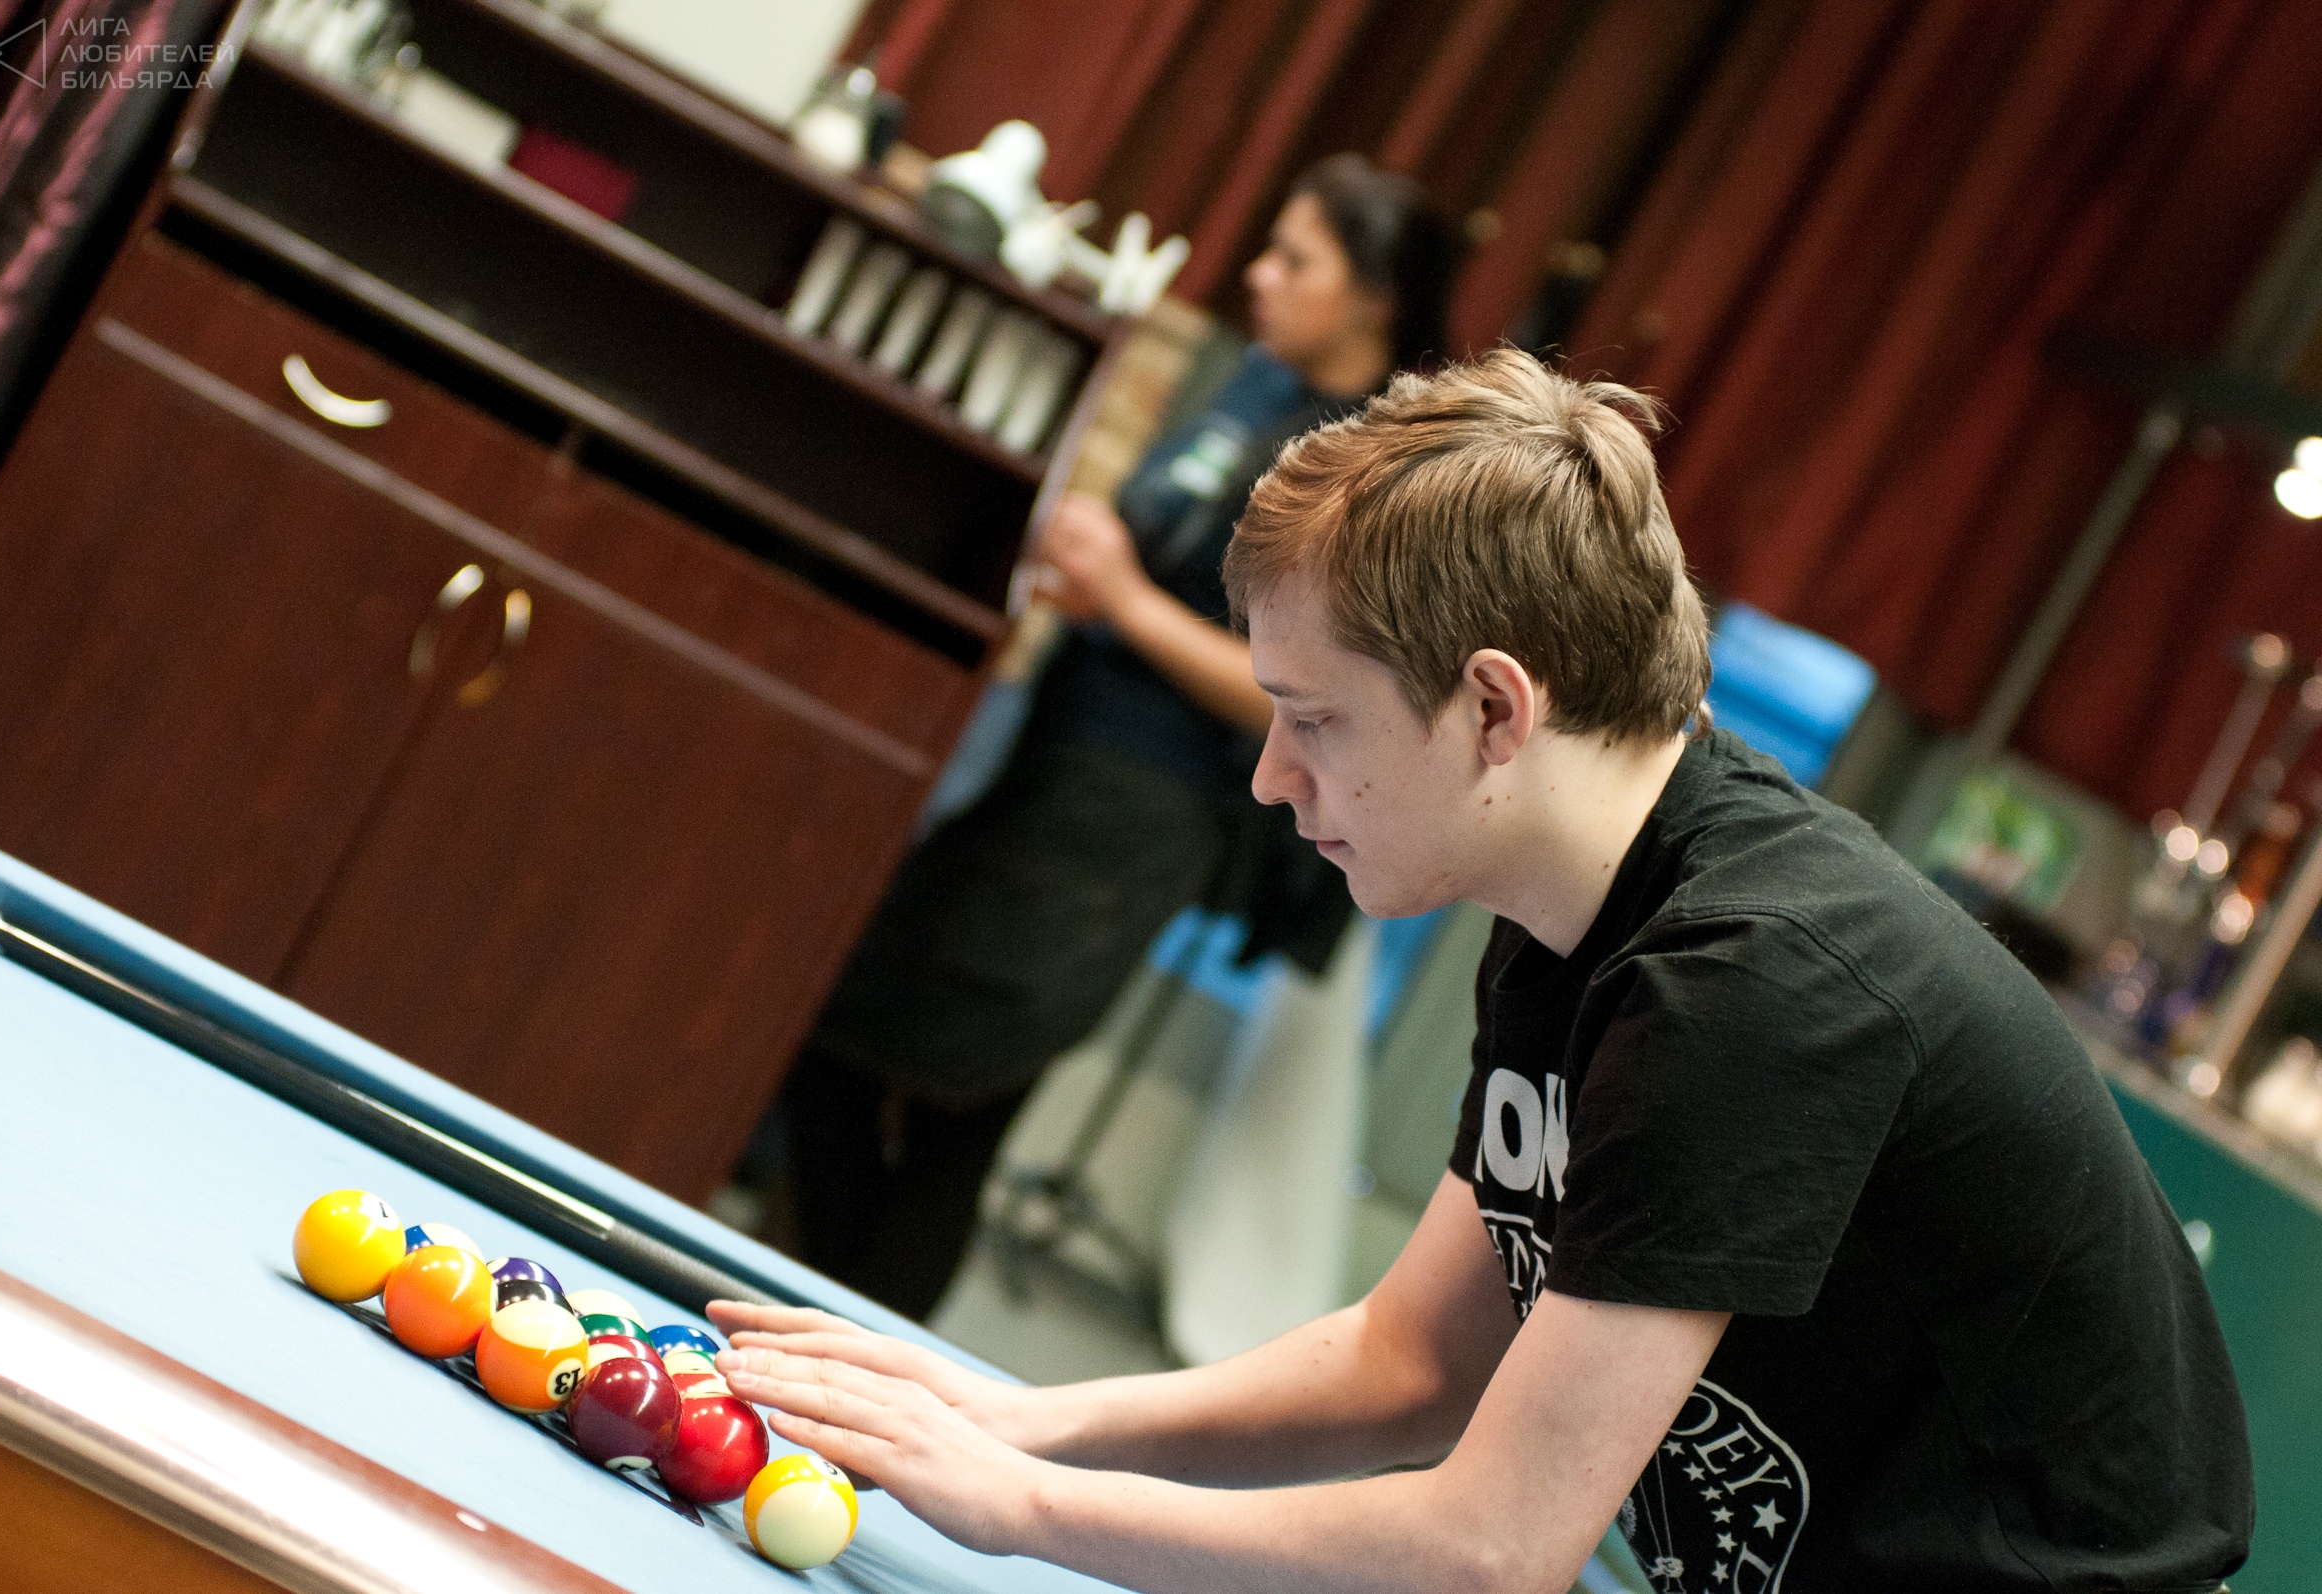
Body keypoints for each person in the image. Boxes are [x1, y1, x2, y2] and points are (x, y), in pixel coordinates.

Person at [711, 349, 2254, 1591]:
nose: (1271, 777)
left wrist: (1021, 1506)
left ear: (1497, 709)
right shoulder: (1569, 912)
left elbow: (1490, 1547)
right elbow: (1413, 1359)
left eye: (1315, 719)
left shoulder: (1759, 985)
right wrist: (1023, 1419)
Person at [777, 154, 1460, 1320]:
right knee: (869, 1056)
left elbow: (1319, 700)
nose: (1260, 274)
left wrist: (1126, 599)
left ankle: (844, 1352)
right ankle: (828, 1335)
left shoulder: (1374, 474)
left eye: (1296, 260)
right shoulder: (1260, 385)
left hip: (1141, 811)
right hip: (1054, 759)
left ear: (1373, 298)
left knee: (930, 1092)